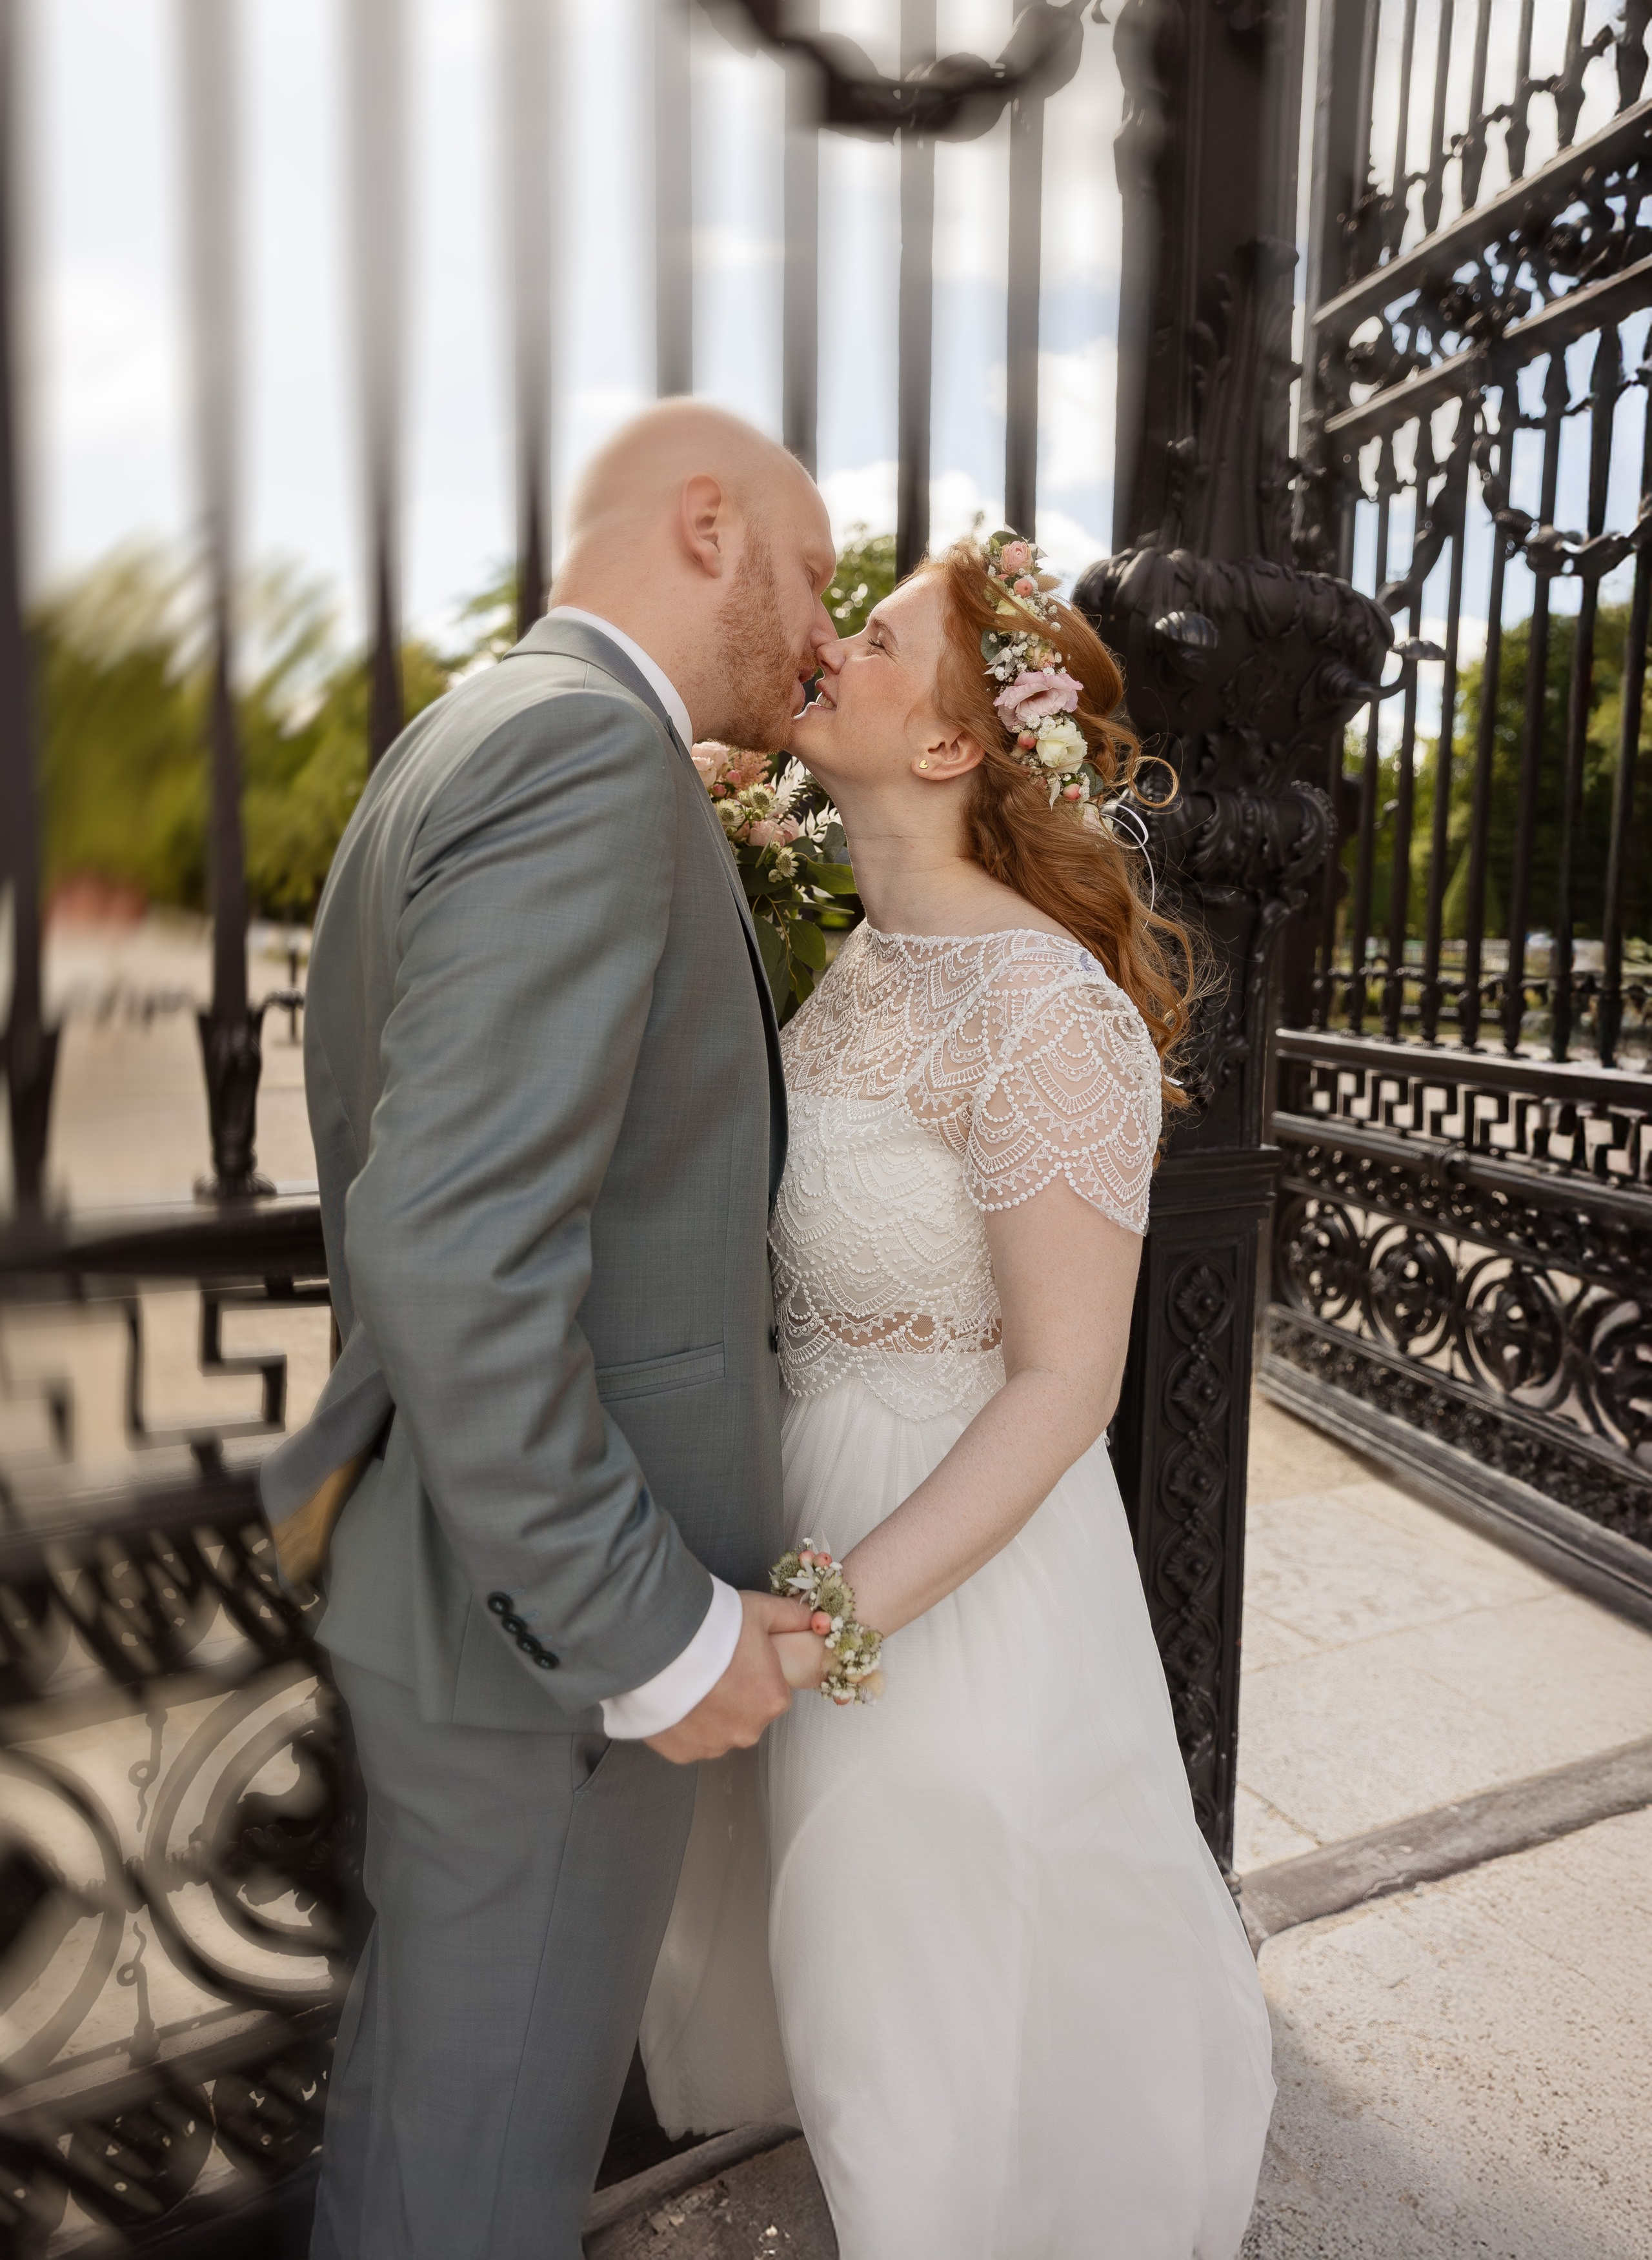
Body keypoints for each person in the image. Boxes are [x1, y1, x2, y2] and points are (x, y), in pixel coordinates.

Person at [641, 535, 1276, 2258]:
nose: (830, 645)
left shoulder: (1043, 1010)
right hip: (805, 1495)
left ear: (946, 744)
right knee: (863, 2015)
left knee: (927, 2041)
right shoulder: (862, 958)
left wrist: (831, 1620)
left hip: (945, 1580)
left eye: (876, 636)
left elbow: (1067, 1385)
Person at [257, 401, 841, 2260]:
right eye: (812, 576)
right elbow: (456, 1249)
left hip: (453, 1585)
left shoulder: (461, 736)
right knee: (486, 2167)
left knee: (437, 2114)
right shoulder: (588, 751)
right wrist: (649, 1631)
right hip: (550, 1645)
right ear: (705, 525)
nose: (823, 634)